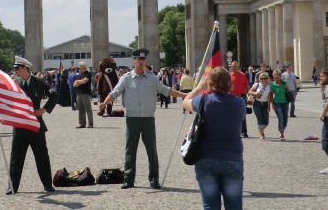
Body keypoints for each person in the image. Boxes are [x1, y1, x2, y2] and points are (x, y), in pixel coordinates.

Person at [98, 48, 187, 190]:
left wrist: (184, 95)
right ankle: (128, 180)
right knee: (130, 150)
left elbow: (166, 90)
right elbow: (114, 93)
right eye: (138, 60)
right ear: (134, 61)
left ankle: (154, 179)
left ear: (145, 61)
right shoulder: (126, 78)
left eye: (143, 60)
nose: (140, 62)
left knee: (151, 150)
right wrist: (104, 103)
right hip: (132, 119)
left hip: (148, 119)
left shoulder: (152, 78)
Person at [182, 67, 245, 209]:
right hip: (232, 157)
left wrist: (198, 87)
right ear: (229, 82)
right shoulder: (239, 103)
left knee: (210, 205)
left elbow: (185, 101)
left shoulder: (203, 101)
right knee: (234, 205)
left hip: (206, 157)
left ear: (210, 83)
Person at [7, 56, 58, 195]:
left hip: (36, 126)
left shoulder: (40, 82)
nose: (15, 71)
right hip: (20, 126)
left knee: (42, 157)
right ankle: (12, 186)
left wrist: (44, 109)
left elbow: (55, 94)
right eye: (14, 68)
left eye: (17, 68)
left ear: (25, 68)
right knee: (16, 159)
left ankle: (48, 185)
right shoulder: (14, 84)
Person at [268, 70, 291, 141]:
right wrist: (272, 104)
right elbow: (271, 95)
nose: (276, 76)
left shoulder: (284, 83)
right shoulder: (273, 85)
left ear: (280, 76)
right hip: (277, 103)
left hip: (285, 102)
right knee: (280, 117)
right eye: (275, 75)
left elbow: (288, 91)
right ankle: (281, 133)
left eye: (277, 75)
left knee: (285, 118)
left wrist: (287, 89)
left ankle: (282, 128)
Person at [248, 72, 271, 141]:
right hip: (257, 104)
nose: (263, 80)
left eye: (265, 78)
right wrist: (255, 93)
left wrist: (269, 107)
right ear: (259, 79)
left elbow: (269, 97)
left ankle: (261, 130)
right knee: (260, 119)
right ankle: (261, 135)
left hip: (265, 104)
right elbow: (249, 92)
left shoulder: (268, 87)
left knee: (266, 122)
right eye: (261, 78)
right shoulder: (257, 85)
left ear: (267, 79)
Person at [230, 61, 250, 138]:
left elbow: (247, 85)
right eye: (232, 66)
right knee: (232, 114)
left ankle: (244, 132)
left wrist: (249, 95)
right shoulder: (229, 75)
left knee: (242, 114)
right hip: (232, 97)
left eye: (235, 66)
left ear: (238, 67)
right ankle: (234, 131)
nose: (233, 67)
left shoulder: (243, 75)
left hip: (242, 96)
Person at [73, 62, 94, 128]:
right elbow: (74, 84)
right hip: (79, 93)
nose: (79, 67)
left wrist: (78, 81)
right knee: (81, 109)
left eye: (80, 66)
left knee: (88, 109)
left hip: (86, 93)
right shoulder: (79, 75)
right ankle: (82, 123)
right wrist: (81, 81)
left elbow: (84, 81)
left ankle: (90, 123)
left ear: (83, 66)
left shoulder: (88, 73)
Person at [318, 67, 328, 174]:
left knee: (325, 143)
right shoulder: (325, 87)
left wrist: (323, 113)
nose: (320, 78)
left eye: (322, 76)